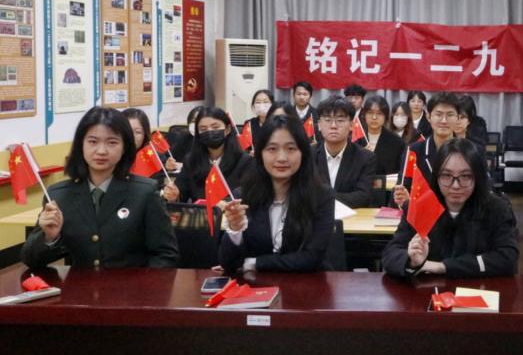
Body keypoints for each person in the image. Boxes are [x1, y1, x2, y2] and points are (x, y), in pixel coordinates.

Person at [22, 107, 179, 269]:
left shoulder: (144, 192)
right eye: (93, 142)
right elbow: (31, 260)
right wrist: (49, 237)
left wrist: (141, 284)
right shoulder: (59, 195)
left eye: (112, 142)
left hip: (130, 284)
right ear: (80, 145)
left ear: (125, 147)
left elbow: (166, 254)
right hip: (80, 284)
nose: (101, 151)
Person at [382, 139, 518, 278]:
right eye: (446, 176)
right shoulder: (419, 207)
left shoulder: (497, 209)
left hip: (478, 288)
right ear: (436, 177)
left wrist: (442, 267)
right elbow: (390, 254)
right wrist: (411, 261)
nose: (455, 186)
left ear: (477, 177)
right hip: (428, 289)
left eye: (465, 176)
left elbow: (507, 258)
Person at [218, 114, 335, 273]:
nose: (281, 158)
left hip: (306, 283)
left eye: (291, 149)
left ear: (303, 153)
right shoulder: (243, 196)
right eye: (272, 149)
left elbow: (312, 257)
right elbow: (229, 263)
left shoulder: (321, 196)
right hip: (256, 285)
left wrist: (255, 263)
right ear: (260, 154)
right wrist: (235, 230)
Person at [163, 107, 252, 203]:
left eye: (215, 127)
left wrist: (225, 204)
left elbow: (246, 195)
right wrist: (174, 195)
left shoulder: (244, 161)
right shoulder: (191, 161)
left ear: (227, 129)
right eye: (203, 129)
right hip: (200, 211)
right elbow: (181, 193)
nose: (209, 132)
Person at [392, 92, 460, 208]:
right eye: (438, 114)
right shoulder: (413, 151)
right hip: (421, 214)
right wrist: (405, 200)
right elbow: (401, 194)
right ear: (429, 117)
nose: (444, 120)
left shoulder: (469, 152)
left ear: (458, 118)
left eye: (450, 115)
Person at [312, 96, 377, 208]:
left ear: (351, 125)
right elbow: (302, 192)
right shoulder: (308, 155)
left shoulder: (366, 158)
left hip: (352, 216)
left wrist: (323, 198)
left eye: (340, 120)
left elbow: (363, 196)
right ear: (319, 125)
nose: (333, 126)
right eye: (328, 120)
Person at [358, 94, 406, 175]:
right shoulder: (355, 140)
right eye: (370, 113)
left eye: (379, 113)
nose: (374, 117)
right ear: (364, 115)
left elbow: (400, 173)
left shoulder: (397, 143)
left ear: (386, 116)